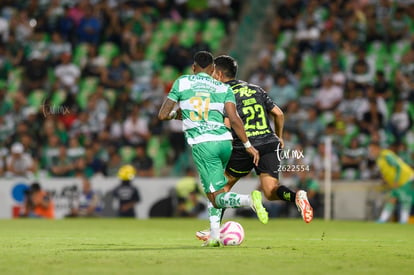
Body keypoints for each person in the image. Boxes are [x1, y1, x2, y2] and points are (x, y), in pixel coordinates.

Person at [158, 51, 267, 247]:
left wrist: (175, 115)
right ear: (213, 70)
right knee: (214, 192)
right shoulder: (222, 87)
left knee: (217, 198)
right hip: (225, 143)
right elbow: (234, 120)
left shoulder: (182, 82)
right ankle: (215, 236)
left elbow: (163, 114)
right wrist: (248, 145)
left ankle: (249, 200)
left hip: (203, 144)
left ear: (193, 68)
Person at [210, 54, 313, 222]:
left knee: (221, 189)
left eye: (213, 73)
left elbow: (228, 123)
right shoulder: (256, 89)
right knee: (271, 191)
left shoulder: (223, 93)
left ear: (219, 75)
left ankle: (214, 231)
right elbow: (278, 114)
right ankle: (296, 197)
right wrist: (279, 137)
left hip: (245, 146)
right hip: (269, 143)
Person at [368, 142, 414, 224]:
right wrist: (386, 181)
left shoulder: (386, 155)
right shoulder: (379, 159)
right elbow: (386, 172)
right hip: (397, 181)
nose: (371, 151)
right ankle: (382, 220)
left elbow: (398, 167)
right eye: (370, 150)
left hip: (405, 178)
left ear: (378, 148)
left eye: (372, 149)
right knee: (392, 199)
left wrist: (396, 180)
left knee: (405, 200)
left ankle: (403, 221)